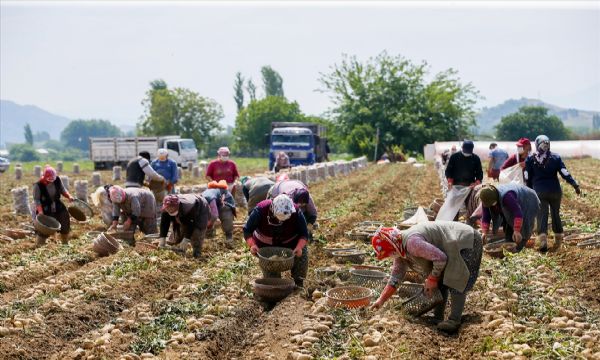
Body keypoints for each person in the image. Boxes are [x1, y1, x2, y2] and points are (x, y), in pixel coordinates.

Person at [370, 222, 483, 334]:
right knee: (441, 280)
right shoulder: (400, 249)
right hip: (453, 242)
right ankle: (437, 317)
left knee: (456, 277)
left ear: (392, 246)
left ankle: (454, 320)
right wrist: (381, 300)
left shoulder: (412, 243)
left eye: (389, 254)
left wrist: (432, 279)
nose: (390, 256)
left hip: (466, 240)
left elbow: (440, 258)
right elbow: (396, 277)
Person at [525, 135, 581, 252]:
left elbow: (527, 177)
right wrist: (574, 184)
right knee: (556, 214)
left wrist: (529, 190)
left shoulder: (530, 159)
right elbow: (564, 172)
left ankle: (543, 241)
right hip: (555, 191)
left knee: (542, 215)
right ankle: (558, 240)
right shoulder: (556, 157)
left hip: (540, 192)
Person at [243, 194, 309, 287]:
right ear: (272, 209)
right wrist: (252, 245)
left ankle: (298, 285)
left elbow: (304, 234)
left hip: (291, 243)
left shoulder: (296, 212)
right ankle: (275, 290)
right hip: (266, 246)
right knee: (272, 278)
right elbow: (247, 230)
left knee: (300, 262)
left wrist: (299, 247)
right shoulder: (260, 210)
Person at [479, 184, 540, 251]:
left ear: (496, 198)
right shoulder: (486, 200)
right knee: (508, 225)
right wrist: (484, 232)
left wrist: (517, 230)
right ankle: (510, 246)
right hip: (514, 204)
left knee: (524, 227)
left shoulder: (507, 196)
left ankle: (519, 248)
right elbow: (486, 215)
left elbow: (518, 213)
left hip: (528, 199)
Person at [437, 140, 483, 221]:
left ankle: (470, 222)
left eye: (469, 152)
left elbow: (479, 173)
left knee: (470, 205)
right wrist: (450, 181)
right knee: (454, 206)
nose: (467, 153)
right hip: (456, 186)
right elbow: (448, 171)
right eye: (466, 151)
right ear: (462, 148)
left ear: (472, 150)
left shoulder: (475, 158)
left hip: (469, 186)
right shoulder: (454, 157)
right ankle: (454, 222)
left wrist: (476, 182)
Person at [32, 166, 74, 247]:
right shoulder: (38, 185)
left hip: (57, 205)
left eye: (52, 179)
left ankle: (65, 243)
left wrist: (69, 196)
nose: (51, 181)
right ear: (44, 177)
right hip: (45, 208)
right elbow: (36, 200)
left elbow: (63, 189)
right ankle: (39, 245)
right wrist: (40, 211)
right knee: (44, 228)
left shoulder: (57, 180)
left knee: (64, 221)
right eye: (49, 179)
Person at [158, 194, 209, 258]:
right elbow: (164, 223)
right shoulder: (166, 207)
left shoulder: (188, 207)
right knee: (176, 235)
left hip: (200, 208)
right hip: (184, 214)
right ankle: (176, 249)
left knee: (197, 232)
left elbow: (191, 223)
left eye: (171, 208)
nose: (169, 209)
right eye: (168, 208)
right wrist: (162, 238)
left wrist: (186, 238)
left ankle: (197, 253)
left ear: (177, 205)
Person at [202, 180, 236, 248]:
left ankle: (229, 238)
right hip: (216, 200)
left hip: (225, 202)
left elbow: (214, 214)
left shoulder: (210, 197)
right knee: (206, 215)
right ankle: (209, 236)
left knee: (225, 215)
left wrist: (210, 223)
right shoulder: (202, 197)